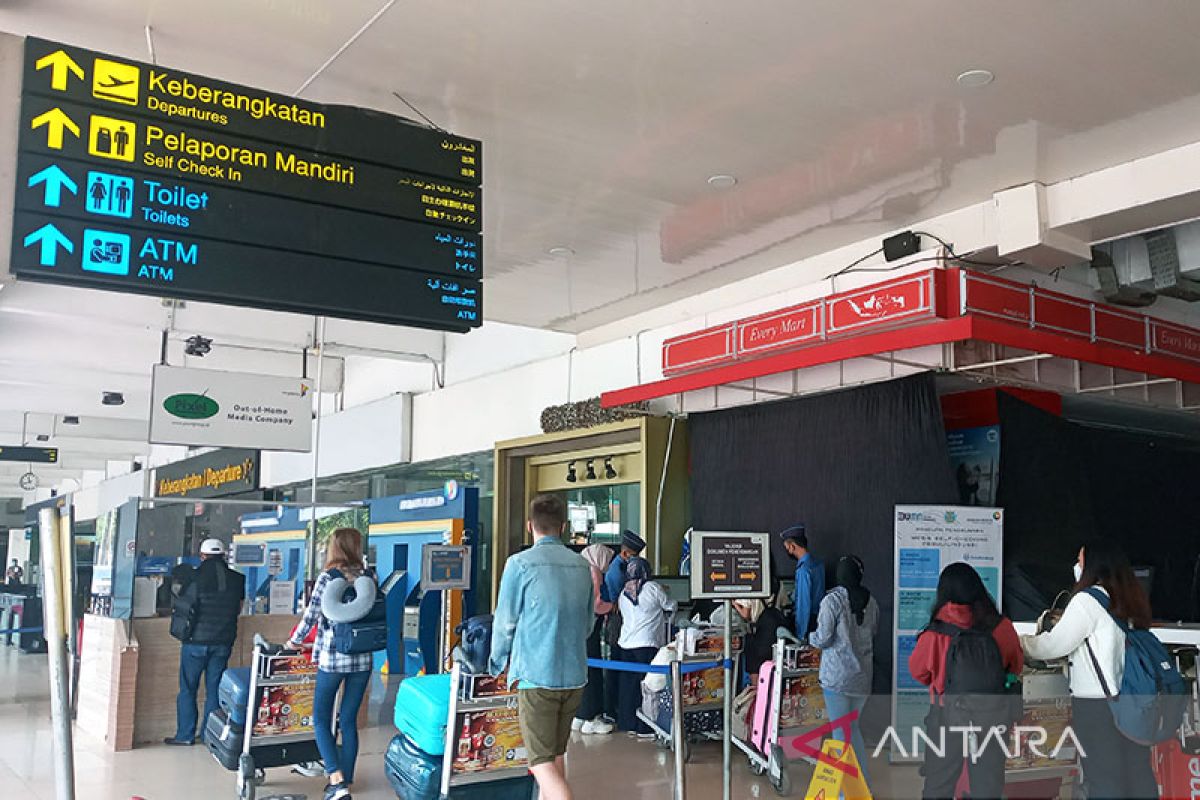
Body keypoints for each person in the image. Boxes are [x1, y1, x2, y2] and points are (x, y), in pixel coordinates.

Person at [1020, 540, 1158, 800]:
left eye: (1080, 560)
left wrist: (1022, 644)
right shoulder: (1130, 596)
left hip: (1097, 705)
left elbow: (1053, 646)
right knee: (1137, 772)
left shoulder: (1087, 601)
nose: (1077, 565)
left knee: (1103, 777)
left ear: (1093, 565)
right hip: (1134, 699)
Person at [489, 495, 593, 800]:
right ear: (562, 526)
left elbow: (505, 621)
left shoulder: (519, 564)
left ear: (529, 526)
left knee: (540, 763)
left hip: (536, 676)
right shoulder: (581, 565)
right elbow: (587, 624)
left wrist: (496, 663)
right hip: (575, 676)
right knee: (556, 754)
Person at [908, 562, 1023, 800]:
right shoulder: (1001, 627)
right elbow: (1016, 665)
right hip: (992, 716)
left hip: (945, 715)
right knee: (988, 786)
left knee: (939, 784)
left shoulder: (935, 633)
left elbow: (917, 672)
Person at [287, 529, 375, 800]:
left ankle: (336, 780)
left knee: (321, 719)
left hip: (333, 659)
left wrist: (293, 643)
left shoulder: (328, 578)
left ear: (333, 549)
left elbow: (310, 617)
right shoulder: (369, 578)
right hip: (362, 659)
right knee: (348, 721)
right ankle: (346, 778)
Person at [165, 538, 245, 747]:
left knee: (188, 689)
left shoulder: (194, 577)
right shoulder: (237, 579)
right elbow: (238, 608)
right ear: (224, 555)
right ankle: (209, 735)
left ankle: (185, 735)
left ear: (203, 556)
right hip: (223, 642)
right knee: (215, 690)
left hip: (195, 643)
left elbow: (183, 606)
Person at [808, 556, 879, 785]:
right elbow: (874, 632)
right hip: (862, 679)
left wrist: (808, 637)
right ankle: (862, 784)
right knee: (852, 729)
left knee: (840, 735)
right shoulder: (873, 602)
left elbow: (823, 638)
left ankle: (844, 791)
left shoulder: (832, 601)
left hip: (837, 679)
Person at [616, 557, 677, 736]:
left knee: (628, 686)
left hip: (626, 644)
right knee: (649, 686)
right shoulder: (653, 588)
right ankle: (646, 726)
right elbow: (670, 605)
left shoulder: (623, 593)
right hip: (647, 644)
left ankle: (627, 723)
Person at [573, 544, 615, 735]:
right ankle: (591, 716)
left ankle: (580, 715)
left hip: (576, 629)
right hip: (589, 628)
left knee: (582, 671)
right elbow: (597, 604)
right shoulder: (594, 572)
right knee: (593, 671)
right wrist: (613, 605)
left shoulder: (577, 568)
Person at [603, 530, 645, 722]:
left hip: (626, 620)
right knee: (618, 666)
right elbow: (617, 600)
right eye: (634, 556)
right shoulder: (616, 570)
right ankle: (614, 710)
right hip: (618, 620)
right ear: (626, 553)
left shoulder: (625, 567)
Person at [735, 579, 790, 683]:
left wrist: (735, 604)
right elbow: (784, 603)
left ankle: (759, 695)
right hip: (775, 637)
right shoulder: (778, 583)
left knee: (756, 672)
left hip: (757, 637)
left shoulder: (748, 583)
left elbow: (746, 614)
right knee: (774, 672)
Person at [781, 524, 824, 639]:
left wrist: (801, 634)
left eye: (787, 547)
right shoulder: (818, 564)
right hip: (820, 619)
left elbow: (804, 604)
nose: (788, 551)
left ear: (792, 546)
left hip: (808, 622)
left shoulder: (803, 570)